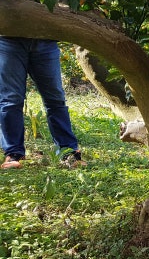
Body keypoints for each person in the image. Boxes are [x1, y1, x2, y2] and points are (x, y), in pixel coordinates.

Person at [0, 36, 86, 169]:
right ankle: (13, 154)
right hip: (8, 40)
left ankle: (68, 152)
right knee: (11, 100)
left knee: (55, 99)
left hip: (46, 41)